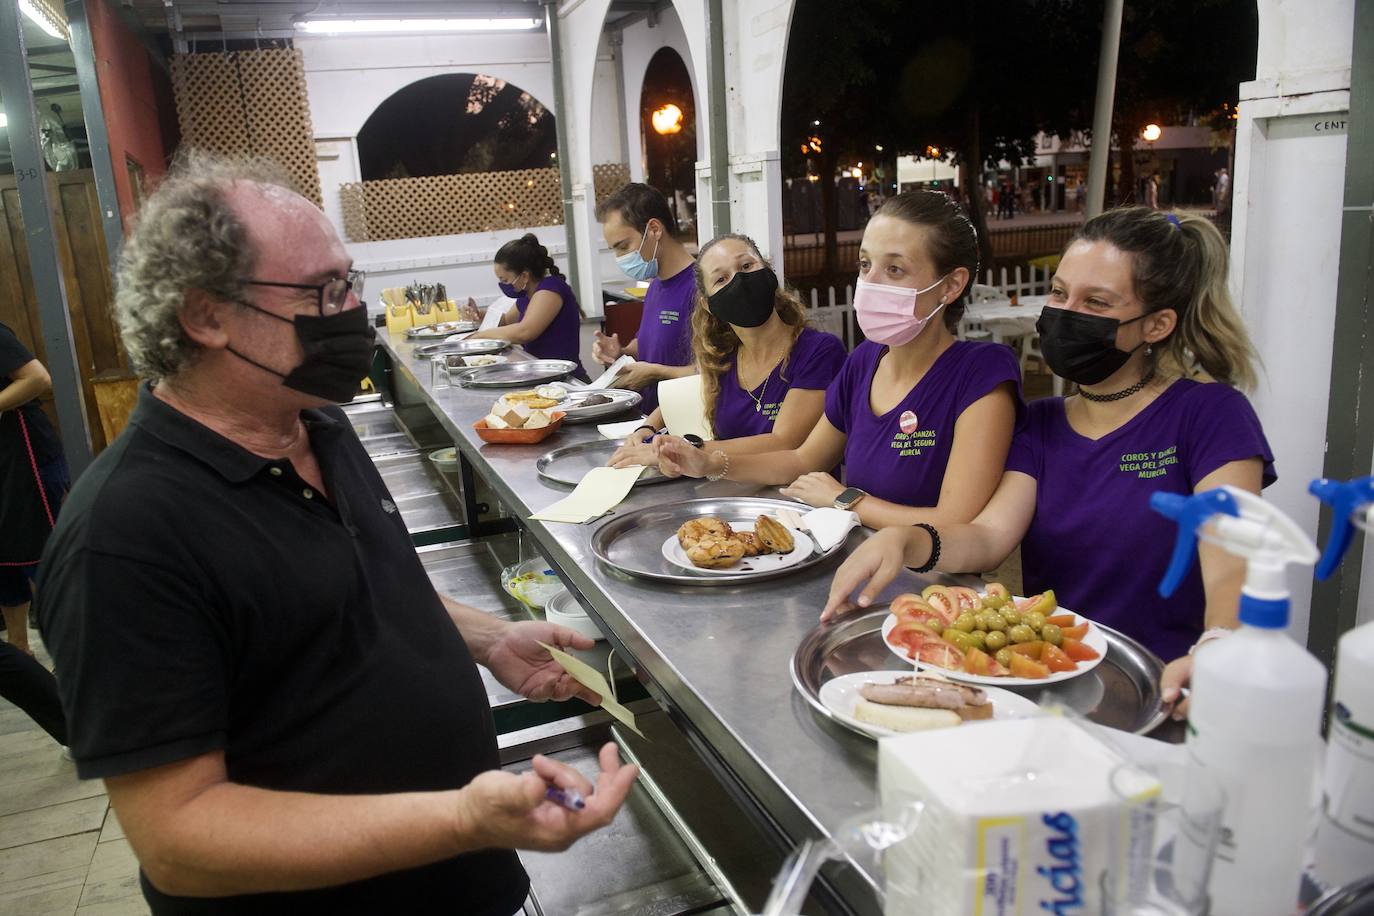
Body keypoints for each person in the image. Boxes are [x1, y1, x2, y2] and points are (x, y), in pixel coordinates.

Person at [35, 153, 637, 915]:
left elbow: (349, 588)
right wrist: (456, 817)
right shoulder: (126, 538)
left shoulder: (314, 423)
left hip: (467, 884)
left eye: (349, 283)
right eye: (324, 291)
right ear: (205, 316)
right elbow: (179, 839)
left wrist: (486, 638)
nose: (352, 309)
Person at [822, 207, 1270, 723]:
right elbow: (989, 536)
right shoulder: (1042, 421)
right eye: (1059, 293)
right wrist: (908, 539)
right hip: (1048, 687)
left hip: (1166, 690)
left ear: (1156, 325)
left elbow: (1232, 563)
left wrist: (1217, 648)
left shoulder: (1210, 414)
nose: (1065, 312)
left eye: (1096, 302)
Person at [652, 191, 1022, 531]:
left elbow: (954, 523)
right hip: (856, 564)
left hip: (936, 588)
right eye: (865, 265)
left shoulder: (982, 373)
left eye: (894, 269)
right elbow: (802, 460)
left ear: (951, 285)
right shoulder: (864, 363)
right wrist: (709, 463)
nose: (871, 282)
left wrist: (844, 500)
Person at [608, 234, 846, 468]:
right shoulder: (724, 357)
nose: (738, 281)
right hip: (733, 493)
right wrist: (647, 428)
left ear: (769, 272)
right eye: (721, 279)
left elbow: (785, 442)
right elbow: (688, 393)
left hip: (794, 500)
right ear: (708, 305)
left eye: (746, 265)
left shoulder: (819, 351)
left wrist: (683, 450)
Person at [594, 183, 698, 411]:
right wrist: (621, 351)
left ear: (654, 230)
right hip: (651, 425)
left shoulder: (702, 288)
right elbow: (649, 344)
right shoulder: (655, 287)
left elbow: (720, 372)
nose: (619, 257)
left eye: (623, 246)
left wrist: (657, 374)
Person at [0, 320, 69, 656]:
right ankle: (19, 648)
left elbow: (37, 378)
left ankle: (77, 654)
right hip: (2, 464)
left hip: (27, 459)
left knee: (43, 555)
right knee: (4, 558)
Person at [466, 232, 589, 382]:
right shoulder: (526, 295)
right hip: (542, 375)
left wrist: (481, 336)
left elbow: (525, 331)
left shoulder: (550, 290)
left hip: (565, 379)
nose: (503, 285)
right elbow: (505, 321)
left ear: (524, 276)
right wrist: (480, 315)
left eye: (504, 280)